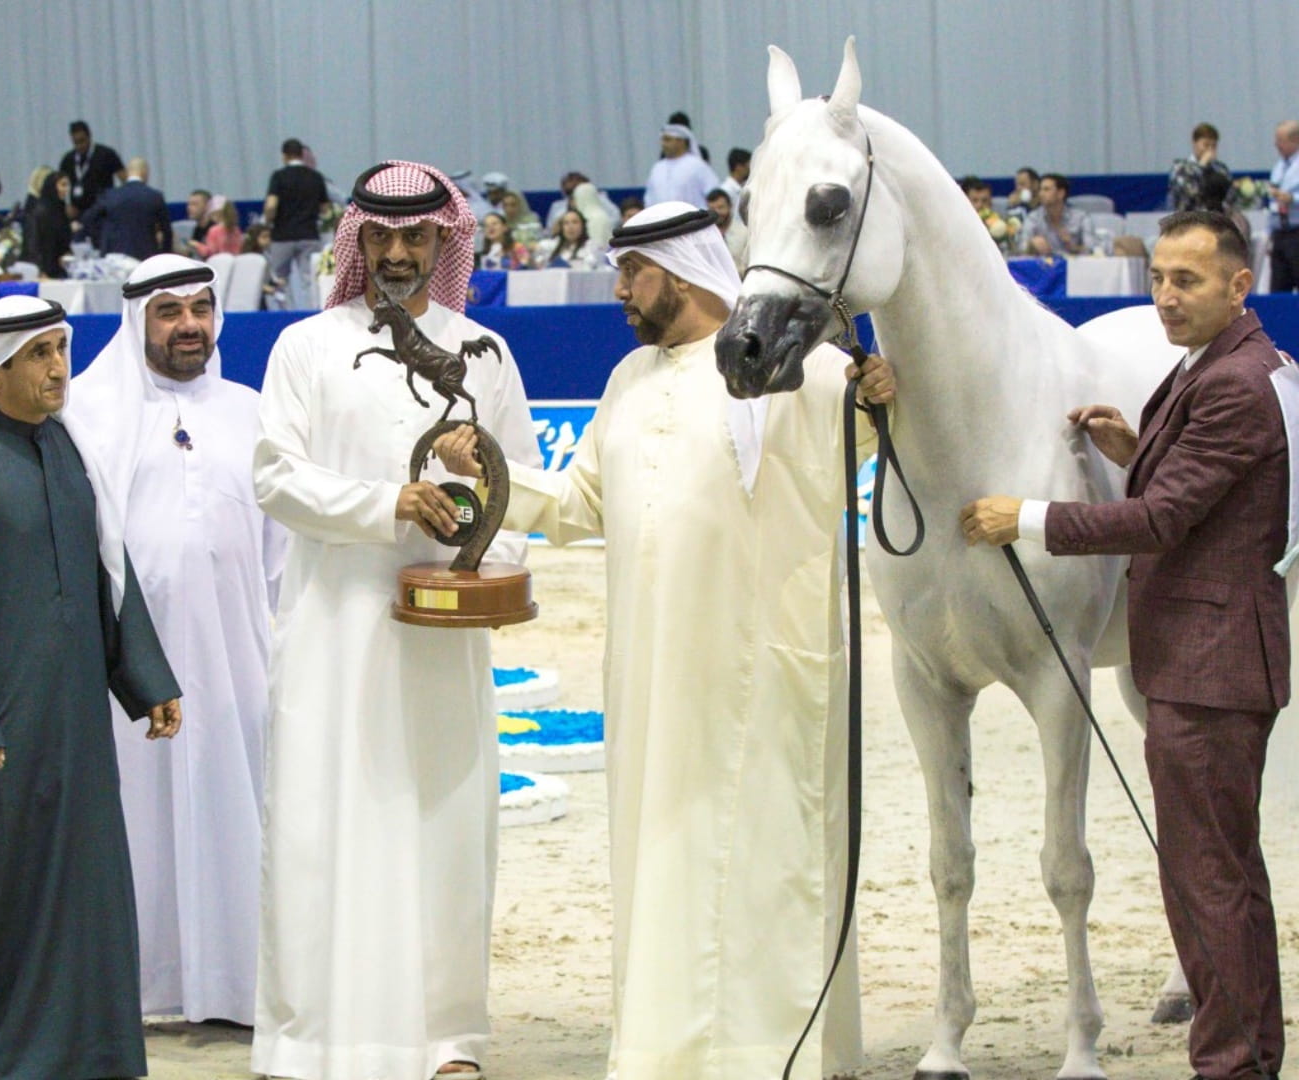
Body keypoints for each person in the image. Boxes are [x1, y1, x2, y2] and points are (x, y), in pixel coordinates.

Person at [432, 202, 885, 1079]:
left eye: (631, 274)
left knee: (766, 855)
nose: (619, 292)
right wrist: (489, 465)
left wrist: (882, 398)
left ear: (676, 273)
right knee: (665, 853)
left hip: (760, 670)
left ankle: (768, 1054)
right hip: (651, 676)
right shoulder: (628, 380)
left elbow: (866, 436)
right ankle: (668, 1051)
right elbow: (576, 508)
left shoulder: (802, 368)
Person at [961, 210, 1287, 1080]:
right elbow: (1206, 490)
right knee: (1226, 874)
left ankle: (1230, 1065)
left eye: (1189, 281)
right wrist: (1133, 449)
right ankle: (1250, 1052)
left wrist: (1022, 517)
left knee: (1205, 883)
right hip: (1216, 655)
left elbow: (1164, 520)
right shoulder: (1234, 366)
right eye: (1159, 281)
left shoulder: (1232, 383)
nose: (1168, 299)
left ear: (1238, 285)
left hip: (1208, 663)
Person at [250, 159, 536, 1080]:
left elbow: (519, 493)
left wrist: (486, 560)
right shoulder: (306, 348)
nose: (402, 253)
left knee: (445, 827)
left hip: (438, 645)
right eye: (384, 236)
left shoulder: (483, 351)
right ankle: (317, 1039)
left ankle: (447, 1040)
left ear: (444, 239)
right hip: (336, 633)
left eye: (419, 237)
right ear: (358, 241)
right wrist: (391, 506)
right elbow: (275, 476)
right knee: (324, 829)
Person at [0, 294, 181, 1078]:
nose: (57, 367)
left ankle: (88, 1053)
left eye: (61, 349)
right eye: (38, 355)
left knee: (84, 893)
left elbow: (108, 577)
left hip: (75, 727)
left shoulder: (71, 455)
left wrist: (145, 679)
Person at [62, 254, 285, 1025]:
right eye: (169, 312)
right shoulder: (87, 412)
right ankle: (145, 986)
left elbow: (280, 555)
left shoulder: (254, 409)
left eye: (200, 308)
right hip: (125, 676)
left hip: (237, 658)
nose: (190, 326)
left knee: (236, 808)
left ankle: (232, 985)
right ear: (135, 322)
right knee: (138, 823)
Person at [264, 137, 331, 310]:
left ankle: (282, 313)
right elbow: (325, 208)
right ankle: (312, 311)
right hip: (309, 233)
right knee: (309, 279)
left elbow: (271, 204)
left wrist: (268, 220)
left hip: (282, 235)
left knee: (279, 279)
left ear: (284, 156)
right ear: (302, 154)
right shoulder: (315, 177)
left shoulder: (279, 177)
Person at [81, 157, 170, 260]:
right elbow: (166, 231)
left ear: (127, 173)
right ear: (145, 172)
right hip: (146, 256)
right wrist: (163, 255)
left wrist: (102, 241)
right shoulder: (155, 196)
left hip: (115, 255)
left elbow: (88, 218)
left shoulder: (110, 195)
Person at [59, 120, 127, 219]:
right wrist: (64, 206)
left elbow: (125, 179)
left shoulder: (107, 154)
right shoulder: (67, 160)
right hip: (78, 216)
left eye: (82, 141)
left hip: (103, 213)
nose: (79, 146)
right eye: (75, 142)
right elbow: (58, 187)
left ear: (89, 136)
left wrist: (119, 202)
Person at [643, 123, 720, 208]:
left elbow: (714, 195)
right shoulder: (657, 168)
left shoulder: (697, 166)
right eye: (662, 140)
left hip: (693, 219)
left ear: (681, 141)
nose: (663, 144)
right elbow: (649, 199)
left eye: (667, 140)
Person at [1170, 123, 1233, 213]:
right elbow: (1188, 193)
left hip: (1216, 219)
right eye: (1206, 145)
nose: (1210, 149)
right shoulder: (1180, 167)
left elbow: (1229, 196)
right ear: (1194, 143)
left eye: (1214, 146)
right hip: (1188, 220)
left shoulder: (1221, 169)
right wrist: (1201, 166)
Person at [22, 170, 75, 278]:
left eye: (67, 185)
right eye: (62, 185)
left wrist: (66, 253)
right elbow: (32, 243)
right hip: (41, 270)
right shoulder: (39, 212)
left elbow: (64, 240)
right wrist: (40, 270)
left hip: (58, 269)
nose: (66, 189)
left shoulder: (61, 210)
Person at [1267, 120, 1299, 291]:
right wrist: (1269, 234)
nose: (1276, 144)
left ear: (1295, 140)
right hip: (1280, 233)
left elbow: (1289, 197)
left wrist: (1293, 198)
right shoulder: (1279, 166)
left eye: (1280, 140)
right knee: (1279, 286)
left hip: (1297, 231)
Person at [1024, 173, 1088, 257]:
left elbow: (1092, 249)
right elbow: (1022, 246)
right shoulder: (1033, 218)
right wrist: (1031, 246)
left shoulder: (1081, 218)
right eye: (1040, 190)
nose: (1041, 194)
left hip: (1075, 266)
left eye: (1046, 190)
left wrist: (1073, 247)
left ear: (1061, 193)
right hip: (1043, 266)